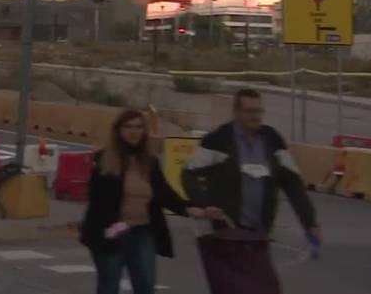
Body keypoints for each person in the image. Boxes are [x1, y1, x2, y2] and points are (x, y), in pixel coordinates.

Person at [182, 88, 321, 283]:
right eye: (250, 111)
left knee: (264, 286)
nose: (255, 117)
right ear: (237, 112)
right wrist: (205, 205)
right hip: (225, 232)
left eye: (258, 111)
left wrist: (310, 222)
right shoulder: (218, 139)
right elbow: (189, 173)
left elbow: (293, 183)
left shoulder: (272, 140)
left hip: (258, 234)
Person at [81, 109, 206, 294]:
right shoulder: (105, 160)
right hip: (111, 233)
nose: (134, 132)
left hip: (142, 233)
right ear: (118, 130)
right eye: (128, 127)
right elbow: (97, 203)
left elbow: (164, 193)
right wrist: (109, 231)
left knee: (146, 286)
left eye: (139, 127)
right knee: (109, 286)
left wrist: (190, 209)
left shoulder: (150, 162)